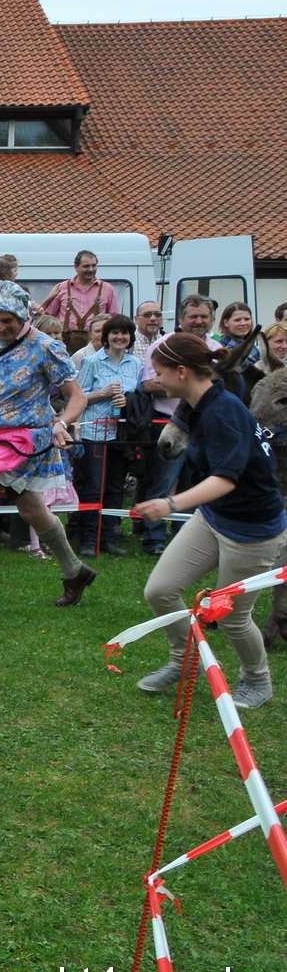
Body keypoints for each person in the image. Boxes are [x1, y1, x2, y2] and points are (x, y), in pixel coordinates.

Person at [133, 334, 285, 709]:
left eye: (160, 372)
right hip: (215, 519)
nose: (157, 379)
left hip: (253, 533)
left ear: (181, 372)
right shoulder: (197, 405)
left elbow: (226, 478)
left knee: (232, 618)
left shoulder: (222, 411)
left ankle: (258, 682)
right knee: (160, 590)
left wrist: (170, 503)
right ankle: (184, 662)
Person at [0, 280, 94, 606]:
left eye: (6, 322)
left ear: (23, 315)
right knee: (31, 508)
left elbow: (77, 397)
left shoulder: (45, 348)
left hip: (26, 439)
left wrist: (62, 423)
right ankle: (75, 570)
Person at [139, 295, 223, 556]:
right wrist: (185, 390)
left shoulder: (217, 350)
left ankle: (182, 539)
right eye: (193, 316)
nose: (198, 321)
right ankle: (153, 539)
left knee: (192, 484)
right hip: (169, 423)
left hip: (204, 427)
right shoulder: (164, 346)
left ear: (211, 319)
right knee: (163, 482)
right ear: (181, 319)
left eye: (203, 316)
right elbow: (148, 384)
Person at [72, 313, 143, 557]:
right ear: (106, 337)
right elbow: (78, 397)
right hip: (95, 431)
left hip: (121, 433)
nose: (120, 337)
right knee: (93, 487)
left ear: (130, 337)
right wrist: (101, 393)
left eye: (125, 333)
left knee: (115, 488)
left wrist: (128, 401)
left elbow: (141, 397)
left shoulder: (135, 364)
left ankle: (108, 538)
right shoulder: (92, 361)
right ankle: (88, 540)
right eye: (115, 332)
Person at [40, 250, 119, 352]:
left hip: (96, 343)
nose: (91, 269)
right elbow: (49, 317)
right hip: (66, 342)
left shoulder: (107, 289)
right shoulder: (62, 287)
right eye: (86, 266)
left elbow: (114, 319)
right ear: (76, 267)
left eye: (94, 265)